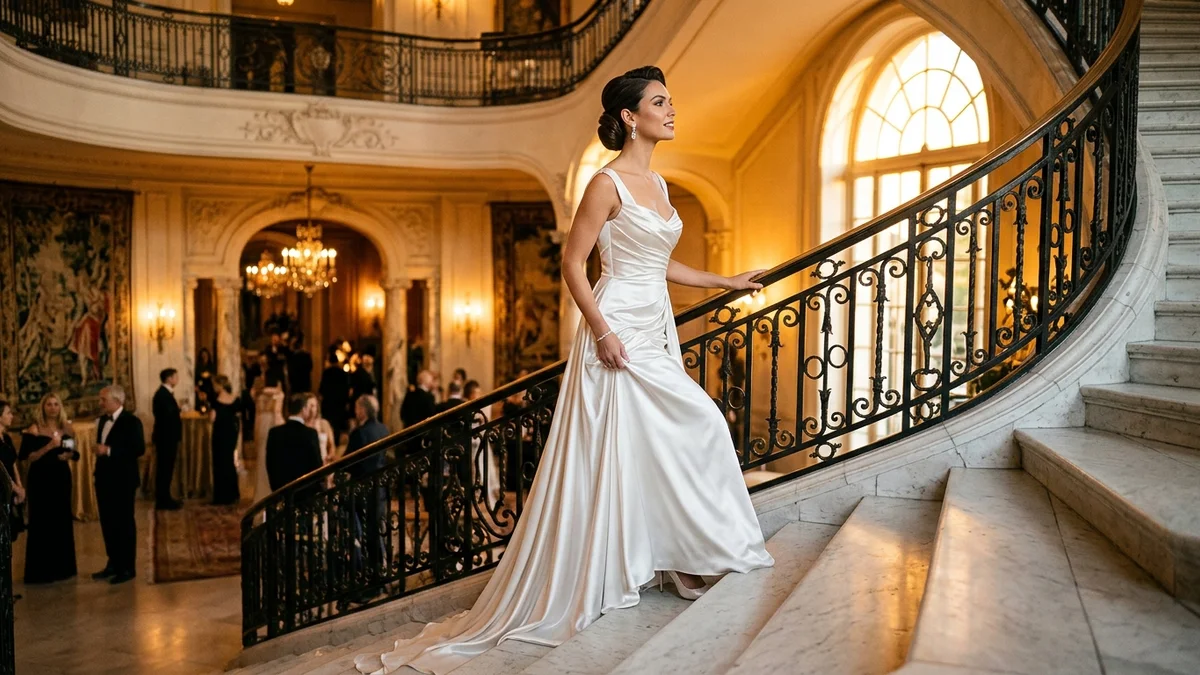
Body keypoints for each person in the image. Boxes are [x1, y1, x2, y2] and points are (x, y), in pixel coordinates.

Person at [355, 66, 773, 675]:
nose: (672, 110)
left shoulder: (657, 184)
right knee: (694, 425)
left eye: (670, 101)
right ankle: (661, 559)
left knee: (666, 440)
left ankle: (679, 555)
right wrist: (601, 331)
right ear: (630, 116)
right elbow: (574, 266)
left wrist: (724, 280)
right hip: (617, 328)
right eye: (660, 102)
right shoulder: (607, 183)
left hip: (653, 327)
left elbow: (660, 264)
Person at [19, 394, 78, 584]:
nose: (52, 408)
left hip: (60, 478)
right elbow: (28, 457)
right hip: (41, 479)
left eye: (56, 404)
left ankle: (63, 568)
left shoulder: (65, 428)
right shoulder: (34, 429)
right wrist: (49, 447)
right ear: (43, 407)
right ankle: (42, 572)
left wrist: (68, 455)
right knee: (42, 521)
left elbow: (73, 452)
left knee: (61, 520)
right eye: (49, 404)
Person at [93, 385, 145, 585]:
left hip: (123, 481)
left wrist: (109, 451)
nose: (100, 403)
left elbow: (138, 449)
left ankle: (127, 567)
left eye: (103, 399)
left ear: (116, 401)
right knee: (108, 523)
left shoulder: (132, 422)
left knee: (124, 523)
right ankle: (113, 563)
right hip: (104, 479)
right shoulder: (102, 421)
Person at [344, 395, 389, 587]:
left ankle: (371, 574)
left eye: (357, 408)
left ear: (362, 410)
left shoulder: (359, 433)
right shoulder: (383, 428)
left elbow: (349, 462)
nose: (355, 411)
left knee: (368, 530)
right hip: (380, 487)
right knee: (377, 529)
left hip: (363, 488)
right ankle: (380, 568)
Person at [265, 394, 322, 495]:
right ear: (303, 409)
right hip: (306, 490)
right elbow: (316, 463)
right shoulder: (310, 433)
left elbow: (270, 462)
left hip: (281, 489)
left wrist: (275, 487)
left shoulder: (274, 432)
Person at [0, 400, 27, 599]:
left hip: (12, 490)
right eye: (8, 413)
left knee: (10, 538)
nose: (11, 416)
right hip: (2, 491)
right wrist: (14, 487)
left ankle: (7, 588)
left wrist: (20, 486)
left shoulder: (7, 438)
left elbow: (13, 463)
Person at [152, 368, 183, 511]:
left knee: (167, 469)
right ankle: (163, 500)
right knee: (164, 469)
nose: (177, 379)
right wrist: (177, 410)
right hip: (166, 438)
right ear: (169, 378)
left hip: (168, 437)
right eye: (176, 377)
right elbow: (166, 417)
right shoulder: (162, 395)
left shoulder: (164, 394)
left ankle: (165, 497)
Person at [252, 373, 285, 503]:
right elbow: (277, 413)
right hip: (272, 424)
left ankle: (260, 495)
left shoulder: (258, 393)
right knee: (272, 458)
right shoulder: (278, 394)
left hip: (260, 424)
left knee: (261, 459)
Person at [209, 375, 241, 506]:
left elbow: (212, 418)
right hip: (231, 433)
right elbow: (238, 418)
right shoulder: (235, 399)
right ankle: (233, 494)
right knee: (229, 462)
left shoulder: (216, 401)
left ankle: (221, 496)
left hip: (219, 433)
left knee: (219, 463)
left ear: (219, 385)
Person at [319, 354, 350, 438]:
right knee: (338, 423)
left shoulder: (326, 372)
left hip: (328, 402)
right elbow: (346, 389)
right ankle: (336, 439)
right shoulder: (343, 373)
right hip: (339, 402)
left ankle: (330, 439)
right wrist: (346, 401)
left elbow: (322, 388)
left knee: (329, 422)